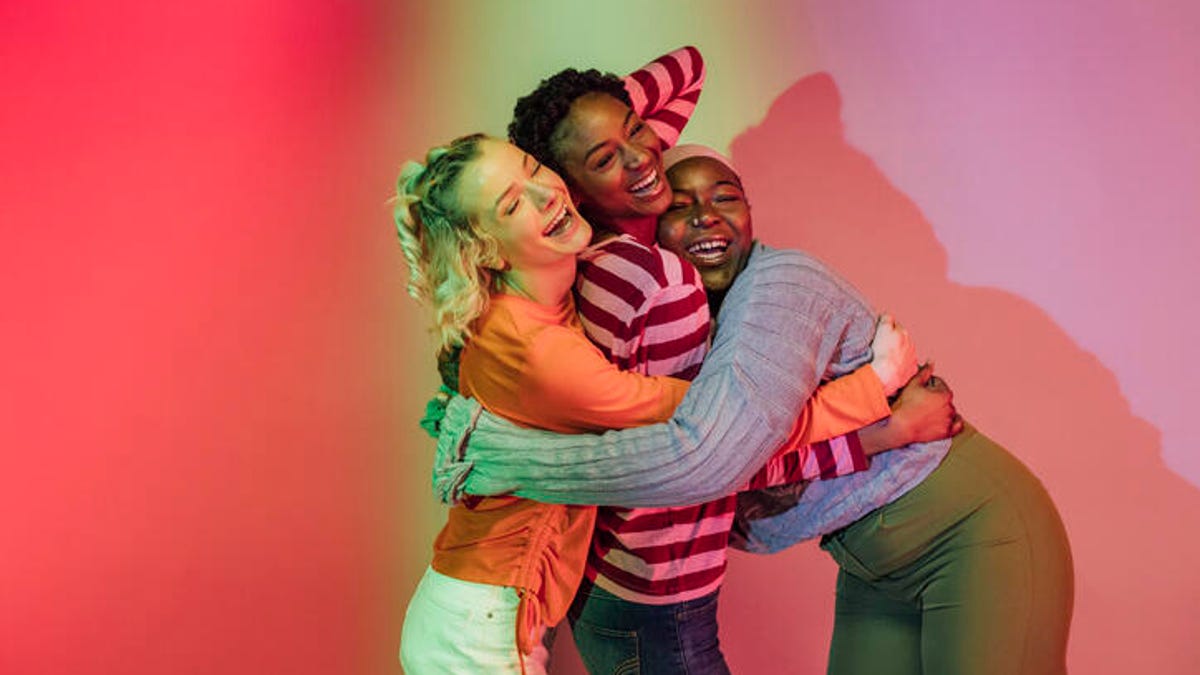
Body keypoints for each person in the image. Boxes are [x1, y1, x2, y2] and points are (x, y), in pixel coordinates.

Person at [431, 145, 1074, 674]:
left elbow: (705, 461)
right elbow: (744, 458)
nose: (707, 217)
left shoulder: (779, 289)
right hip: (870, 561)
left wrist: (506, 457)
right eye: (679, 208)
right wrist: (874, 434)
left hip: (972, 531)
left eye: (726, 198)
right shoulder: (677, 327)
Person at [477, 50, 956, 673]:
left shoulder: (608, 262)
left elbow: (689, 69)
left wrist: (600, 136)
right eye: (601, 159)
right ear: (566, 187)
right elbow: (712, 454)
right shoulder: (650, 277)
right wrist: (880, 414)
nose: (643, 157)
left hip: (635, 583)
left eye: (637, 128)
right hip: (653, 589)